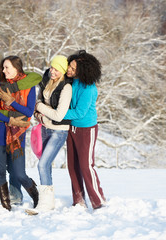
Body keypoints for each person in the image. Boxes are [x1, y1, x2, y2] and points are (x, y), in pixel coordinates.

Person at [0, 50, 42, 205]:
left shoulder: (28, 86)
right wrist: (10, 119)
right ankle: (5, 204)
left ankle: (34, 192)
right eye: (3, 68)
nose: (4, 71)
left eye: (7, 68)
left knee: (19, 172)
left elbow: (27, 111)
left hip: (18, 133)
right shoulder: (1, 85)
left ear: (16, 69)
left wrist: (11, 102)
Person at [29, 55, 72, 214]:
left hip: (59, 131)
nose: (52, 71)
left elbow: (59, 115)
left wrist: (39, 107)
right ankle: (48, 201)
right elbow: (38, 102)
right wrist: (38, 112)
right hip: (45, 127)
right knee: (44, 164)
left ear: (63, 71)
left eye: (56, 69)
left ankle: (45, 203)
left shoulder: (66, 87)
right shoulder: (47, 80)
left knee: (42, 164)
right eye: (52, 68)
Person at [63, 50, 106, 209]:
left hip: (86, 129)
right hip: (71, 128)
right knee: (72, 165)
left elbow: (79, 112)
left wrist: (58, 114)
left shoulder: (89, 88)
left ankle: (98, 201)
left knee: (86, 165)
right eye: (70, 67)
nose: (69, 71)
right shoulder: (72, 82)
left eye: (73, 69)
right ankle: (78, 200)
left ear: (83, 70)